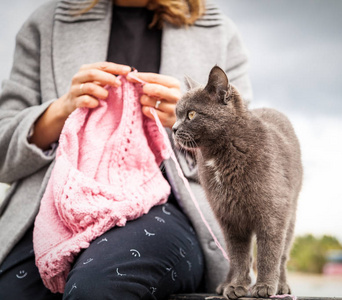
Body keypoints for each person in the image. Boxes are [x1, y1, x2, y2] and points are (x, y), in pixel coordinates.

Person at [0, 0, 252, 298]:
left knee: (98, 287)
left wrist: (188, 123)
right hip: (56, 208)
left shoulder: (218, 31)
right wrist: (61, 110)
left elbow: (246, 159)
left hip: (170, 211)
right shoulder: (48, 22)